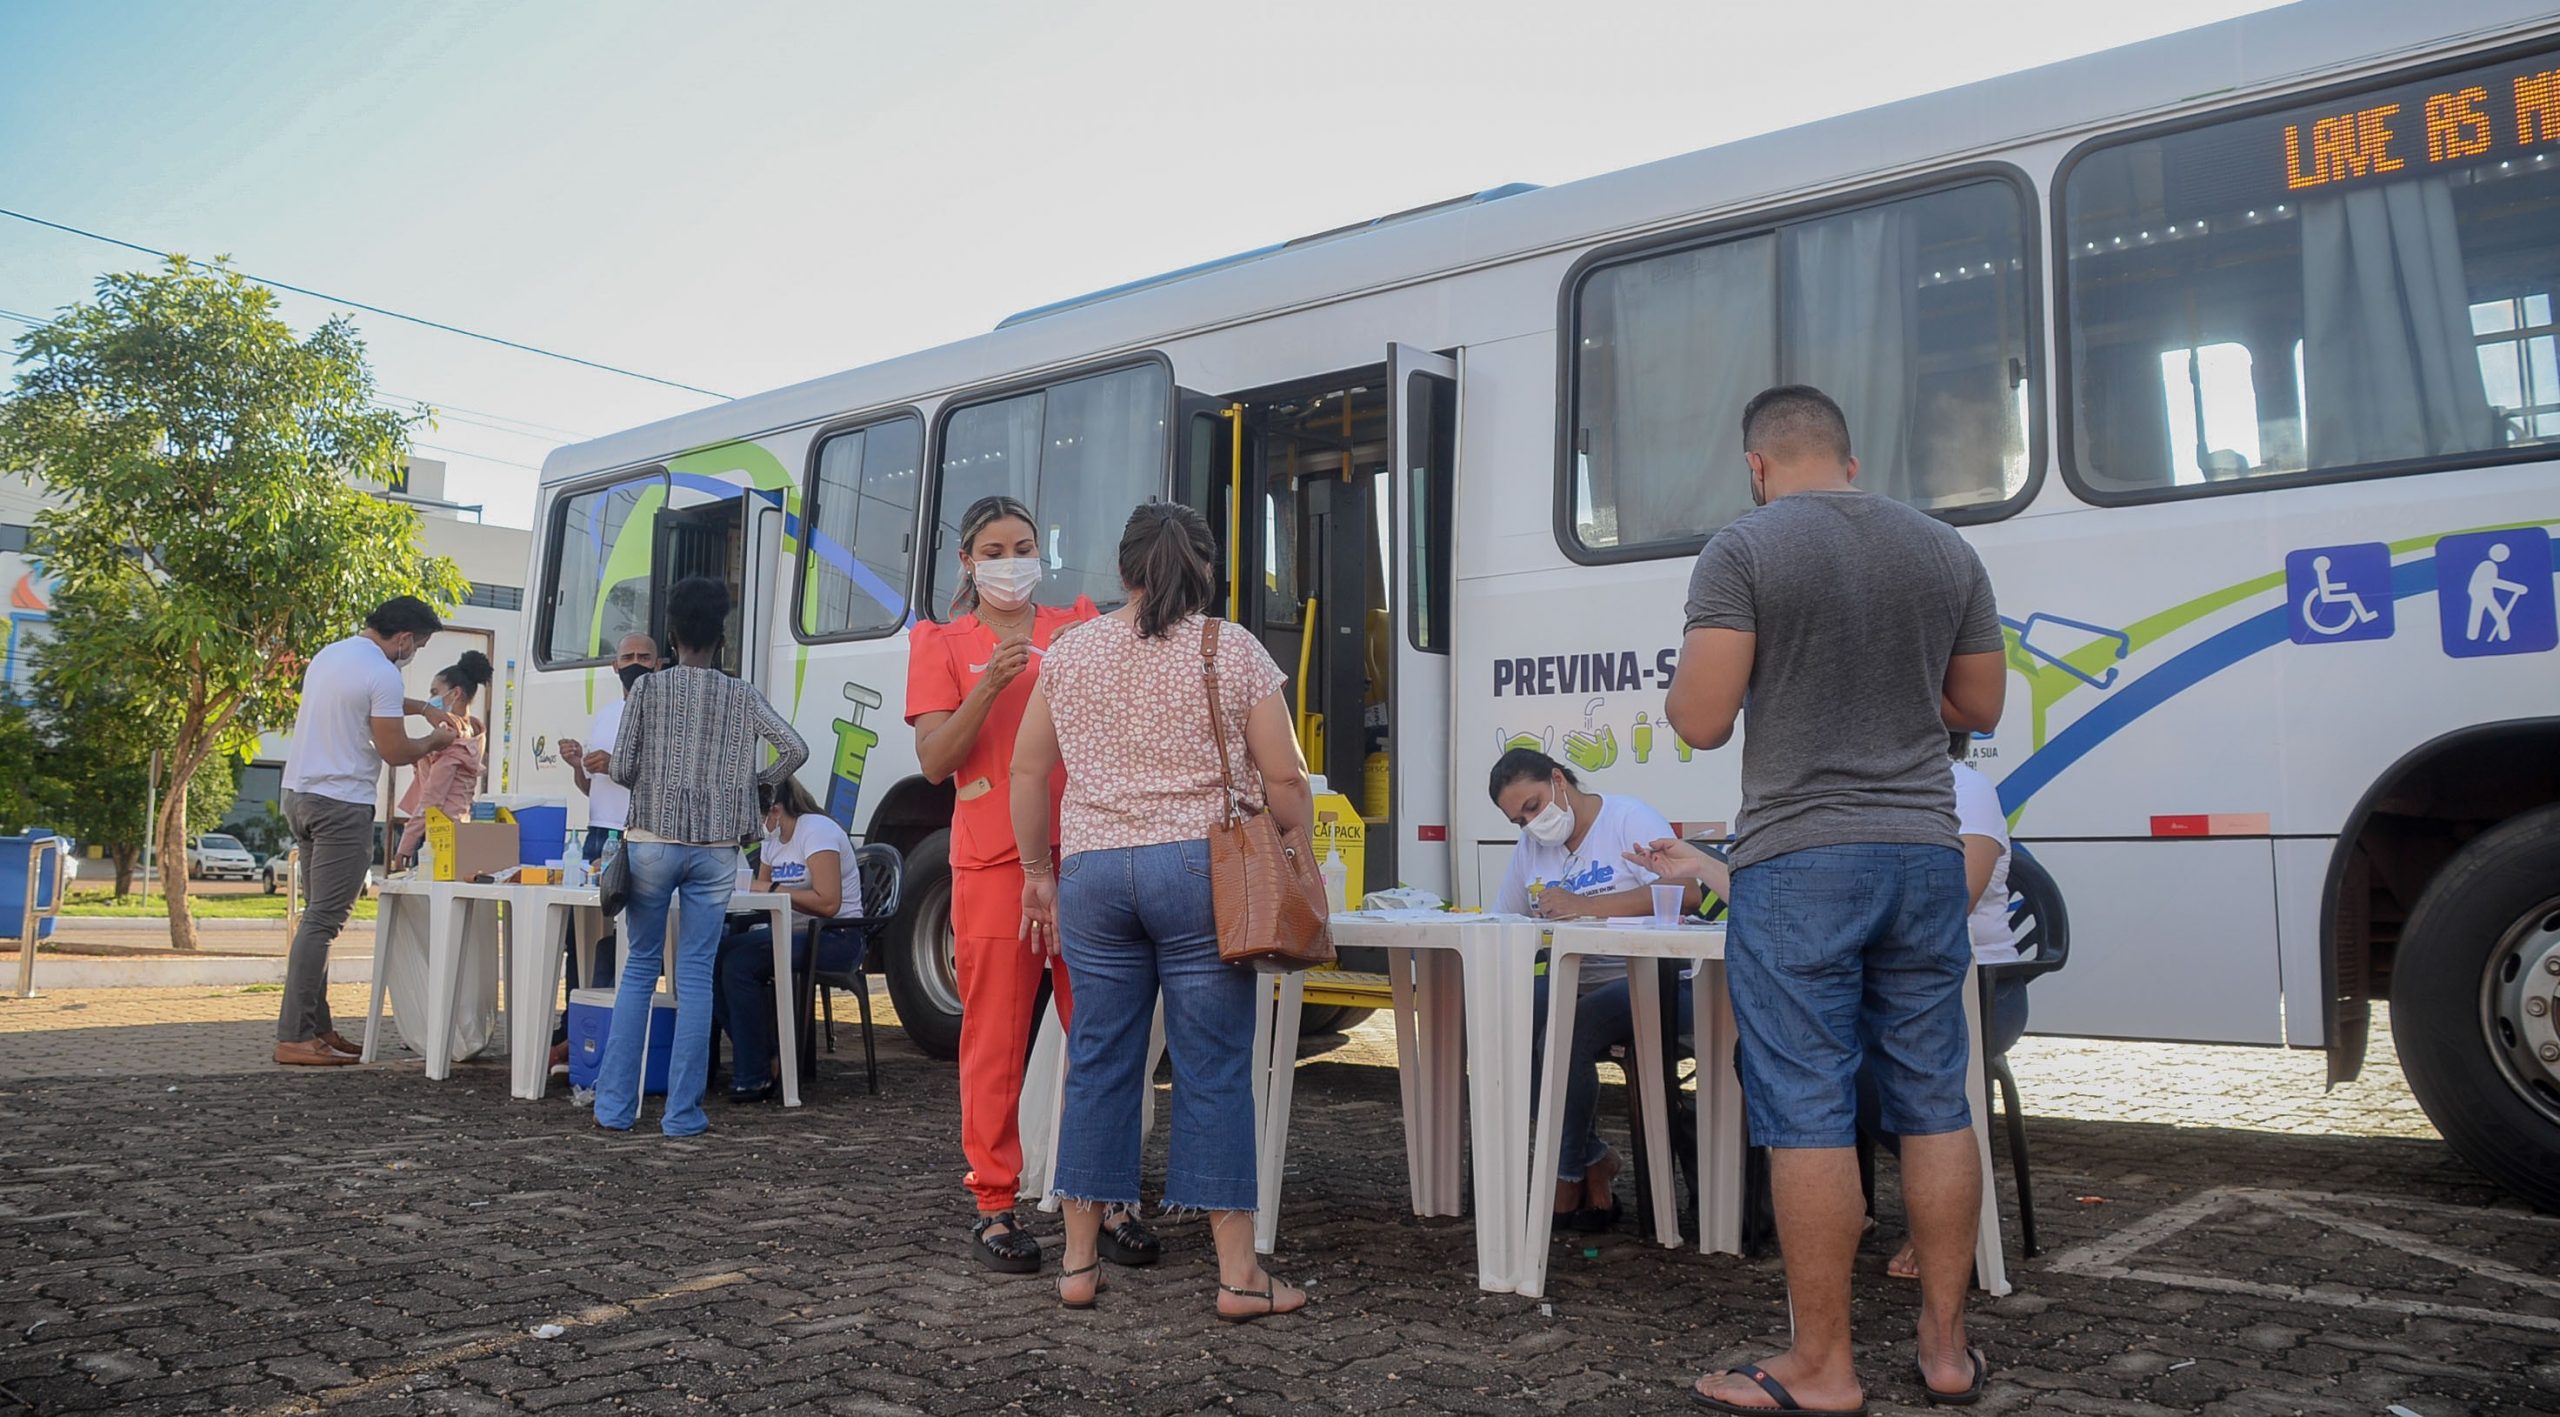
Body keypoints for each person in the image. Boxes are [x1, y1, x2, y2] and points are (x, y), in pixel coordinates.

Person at [1664, 385, 2005, 1414]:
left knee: (1808, 1104)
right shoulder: (1943, 548)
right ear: (1849, 463)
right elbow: (1979, 705)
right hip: (1923, 850)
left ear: (1757, 466)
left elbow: (1701, 719)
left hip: (1800, 856)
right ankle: (1946, 1348)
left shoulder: (1744, 547)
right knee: (1935, 1096)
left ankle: (1824, 1365)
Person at [1011, 501, 1310, 1321]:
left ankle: (1077, 1263)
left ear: (1123, 570)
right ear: (1206, 568)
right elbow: (1284, 776)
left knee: (1099, 1060)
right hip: (1198, 869)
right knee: (1212, 1066)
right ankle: (1238, 1277)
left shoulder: (1071, 650)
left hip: (1095, 873)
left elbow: (1029, 772)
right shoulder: (1231, 647)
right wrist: (1298, 842)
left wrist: (1038, 873)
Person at [905, 495, 1125, 1272]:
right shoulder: (940, 642)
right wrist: (989, 687)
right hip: (994, 864)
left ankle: (1109, 1194)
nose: (1011, 562)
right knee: (994, 1037)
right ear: (967, 561)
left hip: (1086, 854)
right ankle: (994, 1204)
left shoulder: (1080, 624)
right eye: (994, 551)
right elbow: (936, 760)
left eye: (1023, 546)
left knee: (1101, 1027)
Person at [595, 575, 808, 1137]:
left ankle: (615, 1108)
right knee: (694, 975)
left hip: (652, 843)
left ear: (671, 636)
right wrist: (755, 784)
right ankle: (682, 1113)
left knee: (640, 968)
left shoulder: (647, 690)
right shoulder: (743, 694)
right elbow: (795, 748)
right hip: (716, 851)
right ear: (721, 638)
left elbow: (622, 768)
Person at [1488, 748, 1717, 1231]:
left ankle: (1566, 1176)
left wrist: (1587, 906)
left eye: (1533, 806)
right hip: (1579, 977)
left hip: (1656, 979)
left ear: (1558, 780)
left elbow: (1688, 893)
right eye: (1519, 820)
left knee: (1567, 1028)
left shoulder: (1627, 818)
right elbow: (1504, 919)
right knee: (1506, 1014)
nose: (1531, 824)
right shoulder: (1531, 848)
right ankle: (1594, 1160)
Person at [1862, 732, 2029, 1280]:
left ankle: (1945, 1212)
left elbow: (1952, 902)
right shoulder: (1862, 795)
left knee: (1859, 1067)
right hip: (1884, 992)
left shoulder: (1964, 788)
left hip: (1979, 992)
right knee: (1774, 1054)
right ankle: (1840, 1199)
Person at [273, 596, 458, 1067]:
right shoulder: (383, 673)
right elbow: (395, 751)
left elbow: (369, 703)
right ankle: (295, 1036)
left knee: (315, 917)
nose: (414, 654)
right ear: (404, 639)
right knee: (323, 921)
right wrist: (436, 739)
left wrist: (423, 708)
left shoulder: (331, 655)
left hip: (300, 795)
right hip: (341, 805)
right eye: (419, 645)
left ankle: (317, 1028)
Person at [548, 632, 662, 1075]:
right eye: (627, 656)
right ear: (614, 666)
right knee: (579, 936)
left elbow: (659, 782)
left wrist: (614, 764)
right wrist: (578, 765)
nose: (634, 663)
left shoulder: (660, 714)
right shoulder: (608, 712)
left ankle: (611, 1034)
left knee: (630, 939)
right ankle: (575, 1026)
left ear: (659, 664)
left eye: (643, 657)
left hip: (638, 835)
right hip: (599, 833)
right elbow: (592, 787)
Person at [714, 775, 864, 1104]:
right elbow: (761, 896)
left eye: (757, 816)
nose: (756, 827)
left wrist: (770, 888)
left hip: (835, 935)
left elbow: (829, 903)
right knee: (715, 957)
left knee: (739, 964)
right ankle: (765, 1056)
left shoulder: (817, 832)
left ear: (776, 810)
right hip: (790, 932)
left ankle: (754, 1074)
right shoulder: (773, 840)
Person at [392, 651, 492, 866]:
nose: (431, 700)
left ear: (455, 693)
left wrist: (405, 846)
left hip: (437, 832)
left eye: (434, 692)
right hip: (460, 825)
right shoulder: (476, 733)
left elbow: (433, 798)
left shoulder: (449, 736)